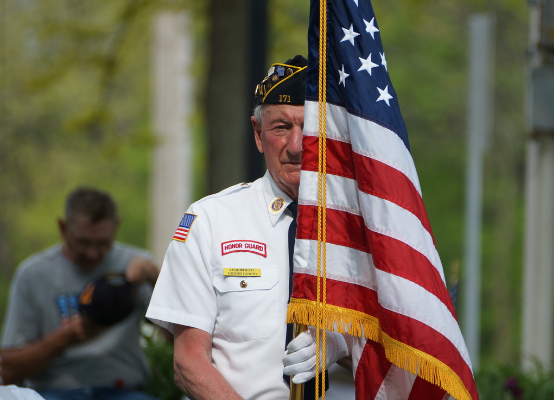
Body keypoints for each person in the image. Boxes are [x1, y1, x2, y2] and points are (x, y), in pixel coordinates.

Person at [145, 55, 350, 400]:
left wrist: (342, 344)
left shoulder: (362, 232)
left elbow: (404, 357)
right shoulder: (211, 220)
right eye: (281, 127)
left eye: (311, 129)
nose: (298, 146)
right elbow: (189, 363)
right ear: (258, 134)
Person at [0, 187, 161, 400]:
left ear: (116, 226)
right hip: (53, 393)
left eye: (103, 243)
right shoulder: (33, 275)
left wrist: (156, 279)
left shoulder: (136, 264)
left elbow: (175, 336)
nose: (93, 253)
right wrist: (68, 337)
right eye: (83, 242)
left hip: (124, 391)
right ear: (63, 228)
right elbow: (7, 369)